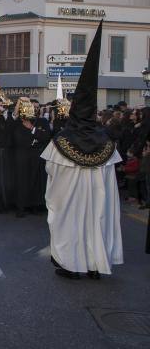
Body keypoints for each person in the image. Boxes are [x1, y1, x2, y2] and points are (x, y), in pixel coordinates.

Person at [42, 21, 123, 280]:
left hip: (70, 198)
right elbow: (110, 181)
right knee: (97, 223)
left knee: (70, 223)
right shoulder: (106, 142)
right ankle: (95, 264)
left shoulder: (62, 140)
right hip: (97, 198)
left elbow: (51, 169)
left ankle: (72, 264)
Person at [11, 101, 51, 217]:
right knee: (22, 181)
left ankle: (36, 205)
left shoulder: (42, 121)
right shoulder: (19, 122)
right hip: (22, 156)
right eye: (32, 107)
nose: (35, 109)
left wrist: (33, 129)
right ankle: (21, 207)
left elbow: (46, 136)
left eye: (37, 108)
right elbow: (17, 138)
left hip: (37, 156)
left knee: (37, 181)